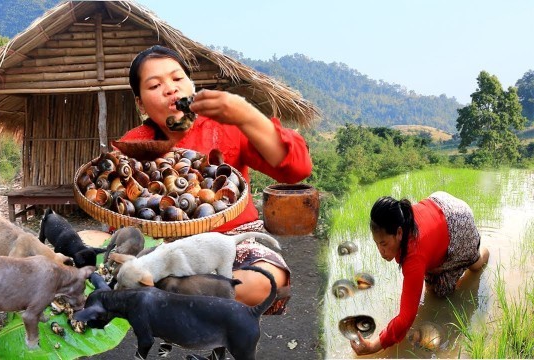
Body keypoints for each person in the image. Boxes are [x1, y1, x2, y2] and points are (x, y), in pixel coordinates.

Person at [116, 45, 313, 314]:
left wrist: (247, 114)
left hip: (232, 241)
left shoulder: (227, 127)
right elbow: (120, 213)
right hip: (165, 251)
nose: (170, 89)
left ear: (191, 85)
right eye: (154, 85)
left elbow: (296, 168)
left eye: (177, 79)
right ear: (140, 102)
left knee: (267, 281)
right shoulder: (131, 146)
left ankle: (181, 295)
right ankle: (188, 297)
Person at [351, 191, 490, 355]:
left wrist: (373, 346)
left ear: (399, 233)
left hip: (459, 222)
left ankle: (481, 249)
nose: (380, 251)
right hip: (440, 206)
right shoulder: (402, 216)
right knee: (433, 286)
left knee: (470, 269)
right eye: (377, 244)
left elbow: (406, 318)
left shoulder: (414, 255)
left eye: (384, 243)